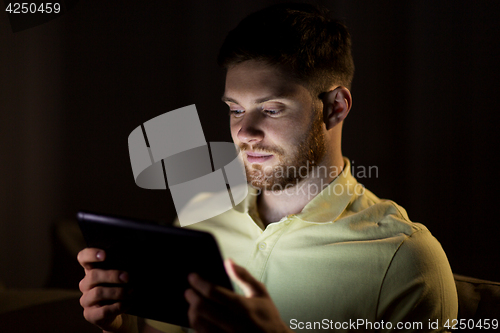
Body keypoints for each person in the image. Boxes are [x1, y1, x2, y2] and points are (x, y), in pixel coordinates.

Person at [78, 3, 458, 333]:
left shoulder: (405, 259)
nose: (244, 132)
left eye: (272, 109)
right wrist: (118, 324)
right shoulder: (198, 218)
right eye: (235, 109)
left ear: (336, 107)